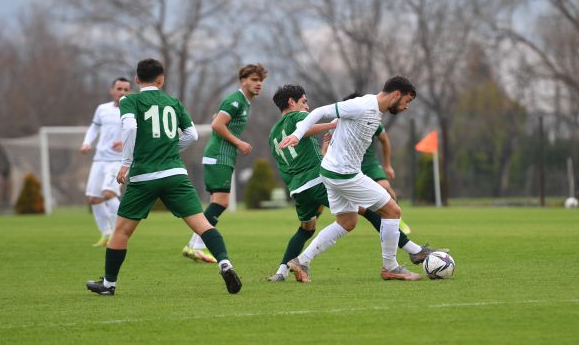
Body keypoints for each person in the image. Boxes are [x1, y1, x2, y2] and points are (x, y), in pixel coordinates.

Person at [86, 58, 242, 295]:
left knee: (121, 232)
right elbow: (191, 136)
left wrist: (126, 163)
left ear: (137, 80)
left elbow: (129, 127)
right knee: (202, 224)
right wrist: (168, 149)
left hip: (144, 176)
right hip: (175, 174)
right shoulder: (173, 102)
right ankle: (224, 263)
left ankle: (109, 284)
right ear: (161, 79)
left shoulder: (130, 99)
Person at [267, 84, 446, 282]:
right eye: (304, 101)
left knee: (342, 222)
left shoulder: (273, 132)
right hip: (331, 176)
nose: (306, 106)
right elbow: (314, 116)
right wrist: (307, 132)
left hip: (302, 185)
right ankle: (400, 261)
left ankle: (294, 265)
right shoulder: (304, 116)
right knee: (388, 211)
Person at [182, 64, 268, 263]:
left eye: (261, 80)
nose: (259, 84)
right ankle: (196, 246)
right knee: (221, 202)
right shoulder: (236, 100)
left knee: (218, 202)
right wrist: (239, 142)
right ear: (243, 80)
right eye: (254, 80)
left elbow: (219, 119)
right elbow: (216, 124)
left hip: (224, 156)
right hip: (219, 156)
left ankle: (194, 246)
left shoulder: (244, 102)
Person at [327, 92, 412, 234]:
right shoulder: (337, 123)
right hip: (348, 165)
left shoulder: (370, 118)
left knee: (385, 186)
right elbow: (326, 148)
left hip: (369, 163)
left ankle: (397, 219)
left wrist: (388, 165)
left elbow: (384, 141)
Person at [80, 77, 132, 247]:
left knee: (108, 193)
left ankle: (120, 232)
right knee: (94, 199)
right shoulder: (102, 109)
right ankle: (106, 233)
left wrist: (124, 143)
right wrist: (87, 143)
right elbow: (94, 127)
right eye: (119, 89)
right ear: (112, 90)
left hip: (119, 160)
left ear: (130, 92)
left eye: (126, 89)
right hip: (100, 159)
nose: (122, 92)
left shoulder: (132, 109)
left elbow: (138, 133)